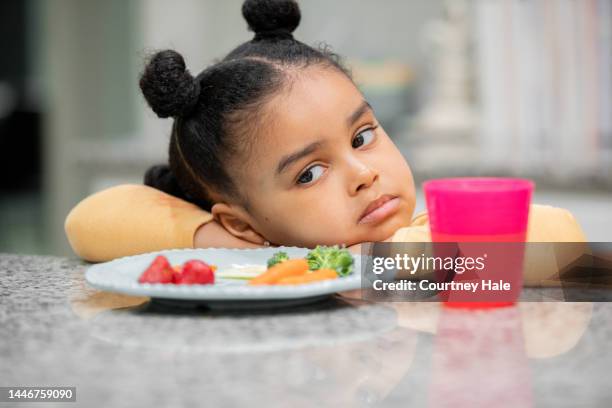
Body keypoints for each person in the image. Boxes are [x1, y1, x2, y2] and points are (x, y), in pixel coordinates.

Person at [64, 0, 586, 269]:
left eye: (362, 137)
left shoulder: (428, 235)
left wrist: (369, 268)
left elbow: (565, 239)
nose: (364, 174)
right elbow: (88, 220)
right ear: (245, 226)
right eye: (310, 173)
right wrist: (247, 252)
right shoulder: (261, 255)